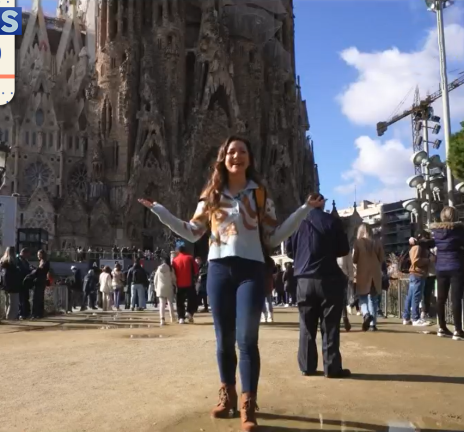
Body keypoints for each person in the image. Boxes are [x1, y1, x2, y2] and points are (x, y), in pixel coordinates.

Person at [140, 136, 317, 431]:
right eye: (232, 152)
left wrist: (303, 210)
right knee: (223, 340)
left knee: (247, 340)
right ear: (223, 158)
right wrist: (160, 210)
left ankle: (249, 403)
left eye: (242, 151)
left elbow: (273, 237)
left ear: (249, 158)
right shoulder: (211, 195)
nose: (237, 156)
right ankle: (228, 395)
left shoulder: (260, 195)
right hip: (219, 269)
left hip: (251, 269)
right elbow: (192, 231)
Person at [286, 193, 351, 379]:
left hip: (303, 280)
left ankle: (307, 365)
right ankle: (332, 368)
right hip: (328, 277)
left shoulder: (296, 222)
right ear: (322, 203)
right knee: (330, 325)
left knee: (306, 324)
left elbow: (290, 250)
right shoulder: (332, 221)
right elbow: (343, 249)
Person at [416, 206, 464, 340]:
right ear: (455, 216)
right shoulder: (458, 230)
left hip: (440, 267)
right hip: (456, 266)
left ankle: (441, 328)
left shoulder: (437, 231)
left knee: (441, 299)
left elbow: (428, 244)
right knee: (456, 299)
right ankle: (458, 331)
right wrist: (459, 249)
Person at [352, 223, 384, 332]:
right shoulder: (377, 242)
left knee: (362, 297)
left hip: (363, 273)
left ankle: (366, 314)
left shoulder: (358, 243)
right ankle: (373, 324)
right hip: (375, 274)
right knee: (373, 299)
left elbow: (354, 259)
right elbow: (381, 258)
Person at [404, 231, 432, 327]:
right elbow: (416, 261)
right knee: (416, 297)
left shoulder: (414, 247)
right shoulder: (417, 247)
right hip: (418, 274)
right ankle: (415, 318)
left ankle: (406, 317)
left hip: (415, 275)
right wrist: (428, 260)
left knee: (410, 296)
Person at [172, 245, 199, 323]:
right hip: (189, 282)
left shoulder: (175, 260)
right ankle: (189, 312)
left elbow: (173, 272)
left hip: (179, 284)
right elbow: (196, 270)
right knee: (192, 299)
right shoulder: (190, 258)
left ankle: (181, 317)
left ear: (178, 251)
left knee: (180, 301)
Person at [0, 247, 23, 320]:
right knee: (14, 303)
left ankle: (7, 315)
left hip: (5, 285)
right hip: (13, 286)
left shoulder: (3, 262)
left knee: (7, 303)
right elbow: (15, 274)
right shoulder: (12, 264)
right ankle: (11, 317)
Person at [153, 257, 177, 325]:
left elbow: (155, 279)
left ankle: (162, 319)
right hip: (169, 287)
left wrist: (155, 288)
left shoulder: (159, 268)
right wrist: (175, 284)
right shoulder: (171, 268)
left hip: (160, 288)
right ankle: (172, 317)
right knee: (170, 303)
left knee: (162, 304)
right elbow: (174, 278)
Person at [30, 250, 50, 319]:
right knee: (39, 298)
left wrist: (34, 270)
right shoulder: (43, 262)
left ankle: (36, 313)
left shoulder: (45, 262)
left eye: (39, 254)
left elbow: (41, 271)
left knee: (36, 298)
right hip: (41, 281)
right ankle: (39, 313)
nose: (37, 256)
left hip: (39, 282)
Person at [17, 248, 33, 319]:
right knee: (21, 299)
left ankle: (26, 313)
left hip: (25, 283)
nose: (29, 256)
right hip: (21, 282)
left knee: (25, 298)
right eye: (28, 254)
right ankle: (22, 313)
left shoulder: (25, 261)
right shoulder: (18, 260)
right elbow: (20, 270)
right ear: (24, 253)